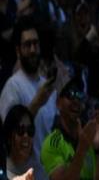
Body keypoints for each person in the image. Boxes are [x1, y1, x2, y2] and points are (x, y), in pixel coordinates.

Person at [0, 16, 57, 157]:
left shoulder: (48, 86)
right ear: (18, 51)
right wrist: (36, 103)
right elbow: (11, 135)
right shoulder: (12, 87)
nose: (32, 50)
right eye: (27, 45)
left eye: (35, 43)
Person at [40, 77, 99, 180]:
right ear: (58, 103)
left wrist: (98, 149)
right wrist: (82, 148)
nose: (76, 100)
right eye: (70, 94)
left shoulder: (89, 139)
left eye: (79, 95)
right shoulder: (52, 143)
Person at [3, 104, 46, 179]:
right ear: (9, 136)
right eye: (20, 130)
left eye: (30, 130)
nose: (26, 135)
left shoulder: (39, 171)